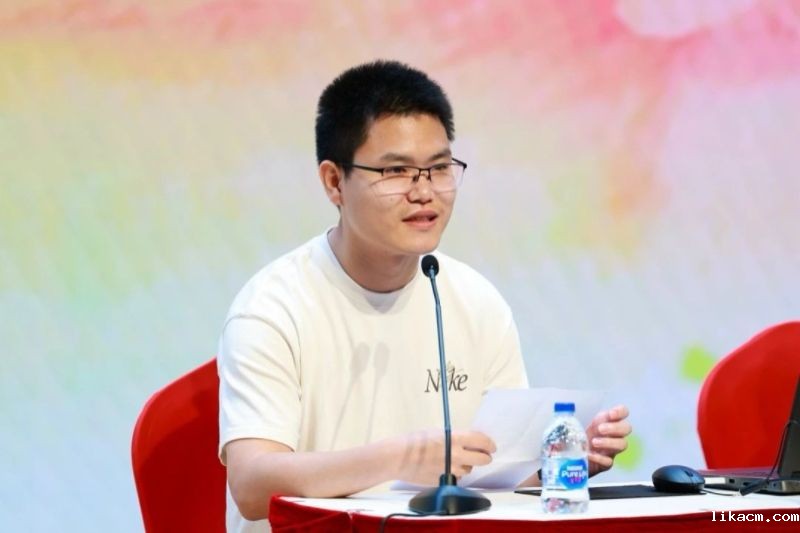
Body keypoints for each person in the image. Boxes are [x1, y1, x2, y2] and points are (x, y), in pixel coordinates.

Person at [217, 60, 632, 532]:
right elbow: (251, 485)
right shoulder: (272, 308)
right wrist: (400, 457)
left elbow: (494, 481)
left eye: (438, 168)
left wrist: (564, 462)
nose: (424, 192)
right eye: (396, 171)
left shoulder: (475, 301)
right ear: (334, 182)